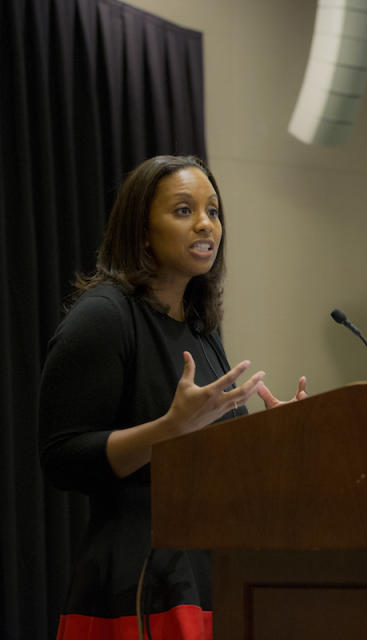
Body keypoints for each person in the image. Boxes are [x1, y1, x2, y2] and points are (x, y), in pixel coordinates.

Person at [38, 155, 307, 640]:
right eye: (184, 211)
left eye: (213, 211)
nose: (206, 224)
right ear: (141, 230)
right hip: (137, 583)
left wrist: (273, 440)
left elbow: (208, 458)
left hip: (210, 574)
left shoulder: (201, 329)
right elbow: (60, 458)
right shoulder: (104, 316)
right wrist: (168, 430)